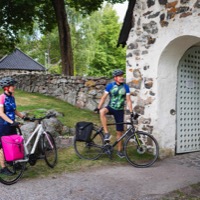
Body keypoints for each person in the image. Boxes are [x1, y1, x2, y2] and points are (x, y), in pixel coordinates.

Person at [96, 69, 133, 158]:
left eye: (122, 76)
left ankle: (119, 151)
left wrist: (131, 112)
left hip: (120, 110)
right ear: (115, 78)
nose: (122, 78)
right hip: (111, 107)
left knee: (119, 132)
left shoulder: (126, 87)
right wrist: (98, 107)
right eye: (120, 76)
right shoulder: (110, 86)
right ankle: (106, 133)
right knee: (102, 111)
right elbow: (104, 98)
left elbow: (128, 101)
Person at [0, 77, 26, 175]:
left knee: (14, 143)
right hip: (3, 125)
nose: (14, 87)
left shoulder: (12, 97)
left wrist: (23, 116)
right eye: (12, 85)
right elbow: (1, 113)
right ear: (6, 87)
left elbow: (14, 110)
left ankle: (13, 162)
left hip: (11, 125)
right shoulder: (2, 97)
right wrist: (11, 122)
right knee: (2, 146)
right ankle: (3, 168)